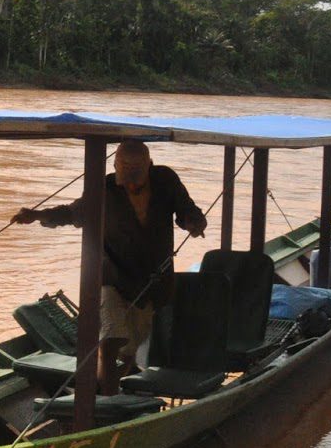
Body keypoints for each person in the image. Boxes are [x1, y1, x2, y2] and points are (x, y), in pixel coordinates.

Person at [11, 139, 206, 394]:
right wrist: (37, 215)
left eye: (138, 176)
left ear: (149, 165)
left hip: (151, 280)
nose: (133, 183)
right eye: (126, 175)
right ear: (115, 166)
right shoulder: (104, 188)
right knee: (111, 339)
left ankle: (106, 389)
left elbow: (187, 212)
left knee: (129, 350)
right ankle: (107, 400)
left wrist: (194, 223)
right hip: (112, 275)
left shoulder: (166, 180)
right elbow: (73, 213)